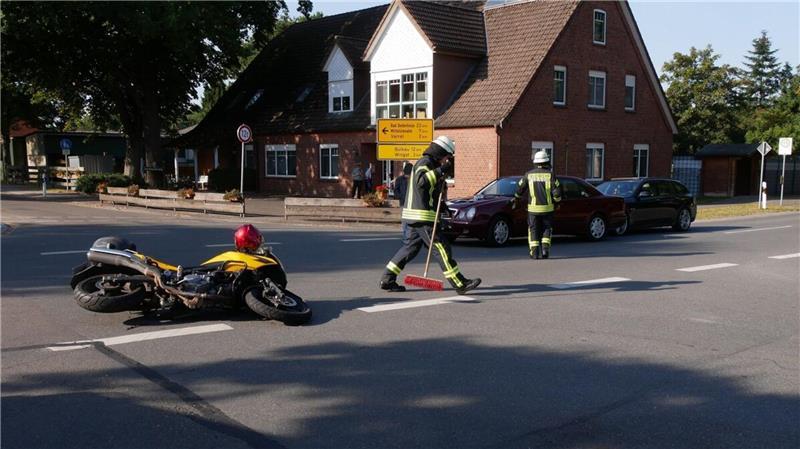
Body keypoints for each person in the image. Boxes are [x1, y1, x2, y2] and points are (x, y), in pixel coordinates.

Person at [379, 136, 481, 294]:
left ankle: (387, 279)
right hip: (422, 216)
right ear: (441, 152)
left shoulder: (431, 165)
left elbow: (431, 193)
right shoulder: (425, 163)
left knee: (410, 249)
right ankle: (459, 283)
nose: (447, 161)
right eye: (447, 157)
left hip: (415, 215)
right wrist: (441, 170)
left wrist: (443, 207)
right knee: (441, 247)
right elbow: (422, 182)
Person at [512, 150, 561, 259]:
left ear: (535, 162)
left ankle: (534, 253)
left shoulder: (528, 175)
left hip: (533, 210)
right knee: (546, 229)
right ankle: (545, 251)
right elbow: (557, 193)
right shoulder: (550, 175)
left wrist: (516, 198)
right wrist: (557, 202)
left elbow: (520, 188)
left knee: (533, 230)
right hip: (548, 209)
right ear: (546, 162)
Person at [391, 162, 413, 241]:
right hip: (403, 202)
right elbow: (396, 190)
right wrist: (400, 197)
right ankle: (406, 237)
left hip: (412, 203)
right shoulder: (400, 179)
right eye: (407, 175)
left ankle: (409, 236)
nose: (408, 176)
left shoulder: (414, 179)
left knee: (411, 221)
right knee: (405, 221)